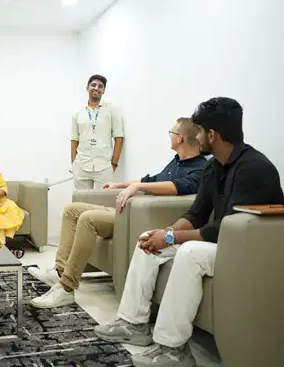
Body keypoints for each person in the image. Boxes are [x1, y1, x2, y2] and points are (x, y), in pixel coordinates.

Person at [94, 98, 284, 367]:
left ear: (212, 134)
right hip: (225, 242)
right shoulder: (214, 166)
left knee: (191, 253)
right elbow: (196, 213)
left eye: (199, 130)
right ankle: (133, 324)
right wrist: (165, 232)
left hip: (251, 250)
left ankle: (173, 350)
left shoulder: (254, 169)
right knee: (148, 237)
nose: (196, 137)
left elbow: (226, 230)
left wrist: (172, 238)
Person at [29, 117, 207, 309]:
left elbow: (175, 186)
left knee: (88, 219)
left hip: (141, 220)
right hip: (128, 213)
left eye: (172, 132)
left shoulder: (201, 169)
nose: (169, 136)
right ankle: (59, 271)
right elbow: (151, 180)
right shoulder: (177, 162)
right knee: (72, 210)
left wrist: (137, 187)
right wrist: (120, 185)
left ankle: (66, 288)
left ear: (180, 138)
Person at [71, 74, 124, 190]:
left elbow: (119, 138)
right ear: (87, 88)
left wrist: (114, 164)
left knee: (102, 200)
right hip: (81, 166)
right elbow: (74, 139)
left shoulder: (112, 110)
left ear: (103, 91)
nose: (96, 88)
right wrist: (74, 163)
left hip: (104, 167)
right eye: (93, 85)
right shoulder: (78, 113)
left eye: (100, 86)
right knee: (82, 199)